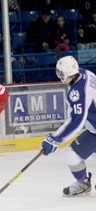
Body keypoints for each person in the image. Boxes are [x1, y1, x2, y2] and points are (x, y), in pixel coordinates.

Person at [41, 56, 96, 196]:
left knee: (72, 153)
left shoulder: (78, 92)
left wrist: (55, 138)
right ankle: (83, 182)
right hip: (93, 130)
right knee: (71, 153)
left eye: (60, 73)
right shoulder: (84, 72)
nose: (59, 76)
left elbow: (77, 120)